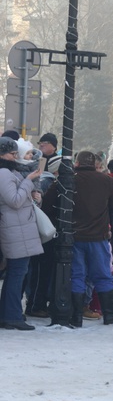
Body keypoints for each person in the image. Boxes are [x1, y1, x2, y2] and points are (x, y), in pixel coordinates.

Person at [42, 151, 113, 326]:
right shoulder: (106, 180)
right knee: (103, 275)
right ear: (94, 164)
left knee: (77, 275)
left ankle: (76, 316)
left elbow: (48, 203)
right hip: (98, 236)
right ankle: (109, 315)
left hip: (74, 237)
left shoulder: (69, 179)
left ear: (76, 163)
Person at [0, 136, 43, 330]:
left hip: (19, 229)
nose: (15, 157)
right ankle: (12, 316)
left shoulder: (10, 171)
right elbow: (14, 200)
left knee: (17, 274)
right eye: (12, 153)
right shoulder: (3, 173)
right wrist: (28, 181)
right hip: (14, 230)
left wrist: (34, 193)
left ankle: (10, 314)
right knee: (17, 274)